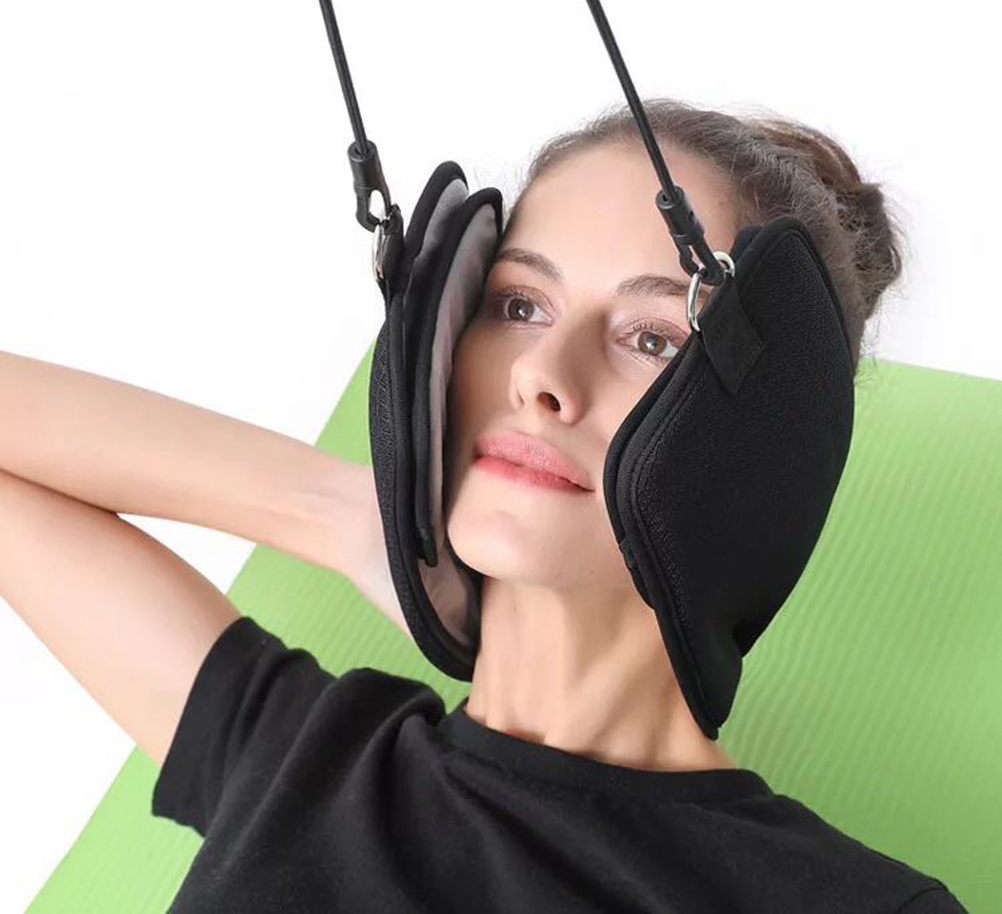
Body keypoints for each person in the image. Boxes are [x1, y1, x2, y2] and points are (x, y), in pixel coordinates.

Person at [0, 99, 967, 912]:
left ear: (767, 442)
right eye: (519, 305)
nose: (540, 373)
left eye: (652, 338)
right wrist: (362, 515)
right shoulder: (302, 760)